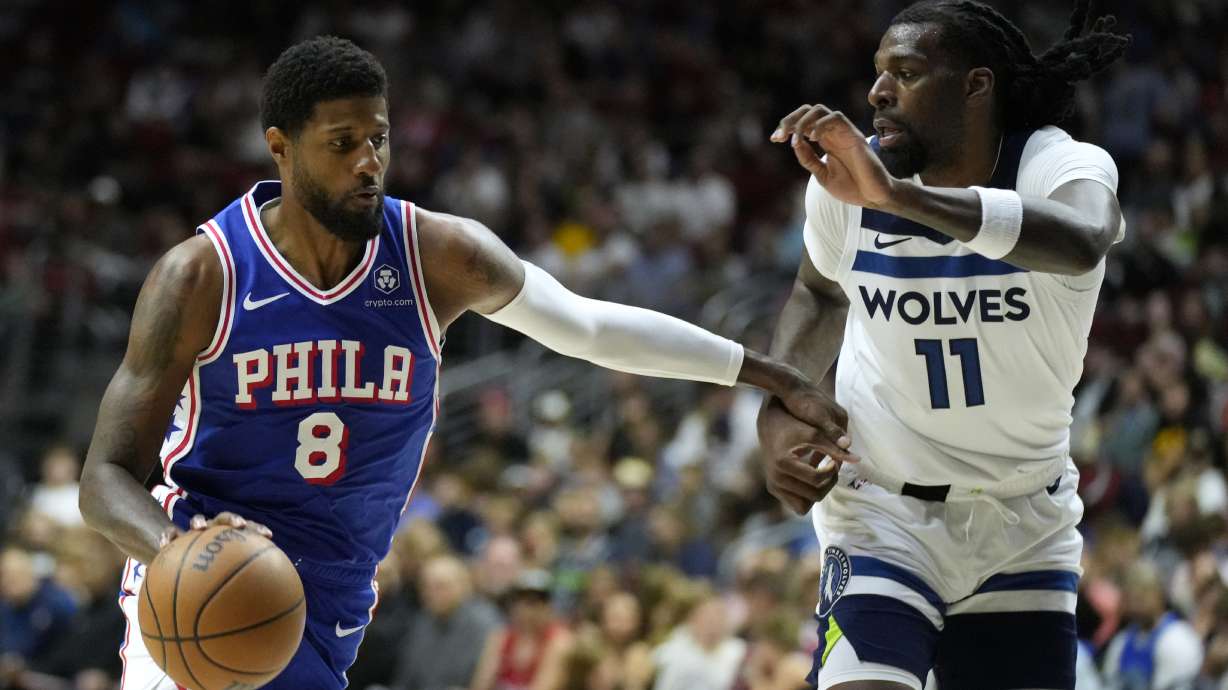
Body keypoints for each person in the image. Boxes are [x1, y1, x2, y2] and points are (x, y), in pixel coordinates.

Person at [78, 37, 846, 690]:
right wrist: (178, 552)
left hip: (334, 595)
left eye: (378, 138)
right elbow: (104, 477)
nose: (367, 162)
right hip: (202, 578)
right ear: (281, 146)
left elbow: (588, 328)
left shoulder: (436, 255)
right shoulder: (201, 275)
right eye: (341, 144)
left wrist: (766, 371)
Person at [756, 1, 1131, 689]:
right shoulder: (849, 179)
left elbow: (1082, 241)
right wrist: (779, 410)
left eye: (907, 72)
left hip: (1024, 522)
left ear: (975, 86)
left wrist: (901, 200)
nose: (877, 93)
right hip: (882, 510)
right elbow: (820, 293)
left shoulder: (1059, 163)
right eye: (878, 74)